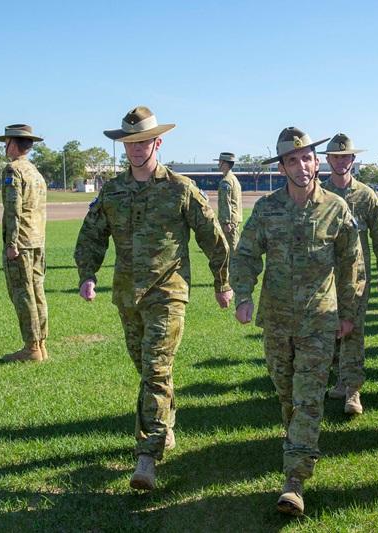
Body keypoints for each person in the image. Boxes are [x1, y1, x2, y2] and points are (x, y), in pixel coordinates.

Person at [74, 106, 233, 491]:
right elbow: (92, 235)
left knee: (156, 369)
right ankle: (166, 425)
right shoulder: (112, 191)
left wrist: (222, 282)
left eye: (142, 141)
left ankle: (146, 456)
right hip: (127, 296)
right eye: (129, 143)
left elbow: (212, 237)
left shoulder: (180, 188)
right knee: (148, 370)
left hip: (168, 293)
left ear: (157, 142)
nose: (135, 149)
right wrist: (87, 274)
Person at [230, 127, 365, 516]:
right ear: (283, 166)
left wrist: (349, 315)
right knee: (287, 394)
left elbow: (351, 265)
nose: (301, 165)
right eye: (292, 159)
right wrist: (243, 294)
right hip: (276, 321)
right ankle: (297, 444)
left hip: (320, 321)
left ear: (316, 161)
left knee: (308, 399)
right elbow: (246, 255)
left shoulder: (336, 209)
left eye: (306, 157)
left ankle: (294, 480)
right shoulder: (267, 209)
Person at [321, 133, 378, 414]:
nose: (341, 161)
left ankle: (353, 391)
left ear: (353, 159)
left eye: (346, 156)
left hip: (356, 279)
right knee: (329, 333)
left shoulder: (365, 195)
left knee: (353, 332)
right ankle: (340, 381)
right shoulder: (319, 195)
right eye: (336, 157)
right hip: (325, 278)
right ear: (328, 160)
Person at [0, 124, 49, 363]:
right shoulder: (35, 172)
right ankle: (41, 344)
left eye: (6, 142)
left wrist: (12, 242)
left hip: (22, 242)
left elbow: (13, 209)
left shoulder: (13, 170)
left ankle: (31, 348)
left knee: (23, 294)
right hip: (37, 240)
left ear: (13, 143)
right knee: (37, 293)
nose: (5, 146)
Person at [215, 152, 242, 260]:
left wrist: (226, 222)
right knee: (233, 251)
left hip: (229, 223)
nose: (218, 164)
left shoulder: (225, 182)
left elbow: (226, 203)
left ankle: (234, 276)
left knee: (231, 254)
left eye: (220, 162)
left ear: (225, 164)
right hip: (235, 220)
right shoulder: (234, 179)